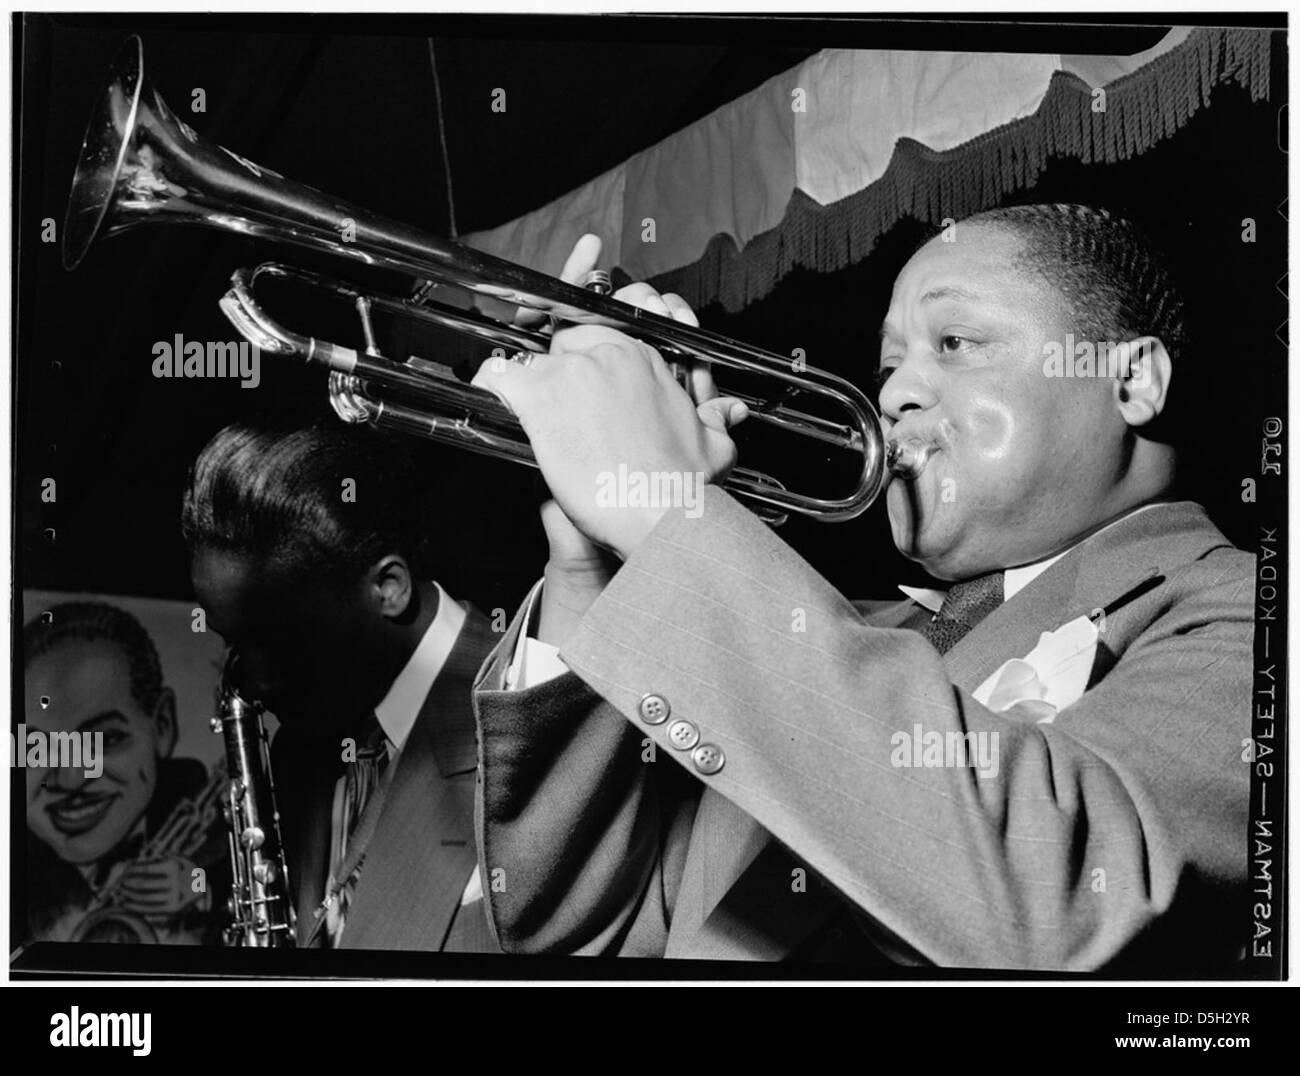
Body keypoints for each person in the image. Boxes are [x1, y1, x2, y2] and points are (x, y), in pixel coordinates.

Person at [468, 205, 1253, 970]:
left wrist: (668, 515)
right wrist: (594, 565)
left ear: (1133, 380)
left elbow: (1057, 901)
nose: (893, 395)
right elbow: (582, 937)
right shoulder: (835, 639)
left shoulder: (1242, 613)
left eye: (956, 342)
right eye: (888, 366)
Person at [181, 420, 498, 952]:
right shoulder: (301, 747)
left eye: (281, 639)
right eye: (234, 642)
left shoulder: (534, 706)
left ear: (388, 587)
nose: (254, 684)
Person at [21, 601, 230, 946]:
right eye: (39, 749)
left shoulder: (216, 830)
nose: (70, 778)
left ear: (161, 725)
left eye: (104, 740)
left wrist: (196, 885)